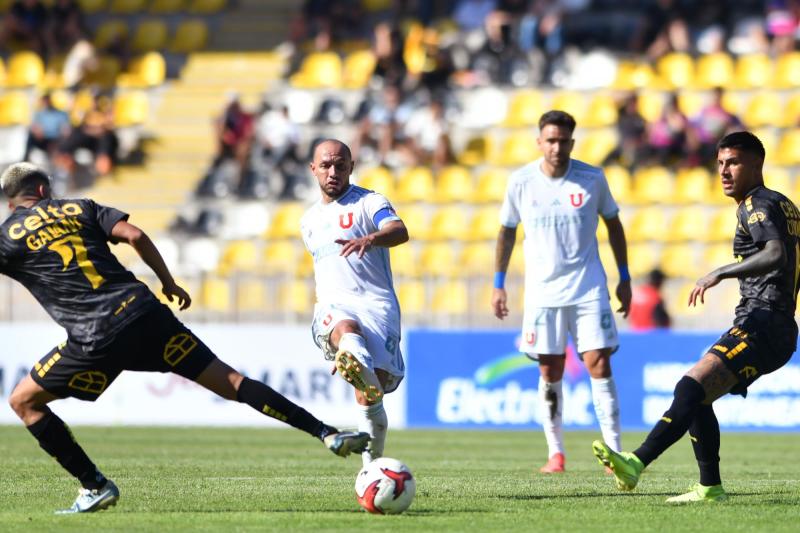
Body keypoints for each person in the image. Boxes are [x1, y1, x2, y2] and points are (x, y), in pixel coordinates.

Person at [1, 162, 369, 514]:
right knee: (233, 382)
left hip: (95, 335)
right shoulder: (79, 207)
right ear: (43, 189)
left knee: (24, 401)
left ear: (10, 201)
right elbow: (136, 236)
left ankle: (95, 485)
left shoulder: (7, 237)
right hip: (144, 312)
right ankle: (326, 433)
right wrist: (167, 282)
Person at [593, 131, 799, 502]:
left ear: (756, 164)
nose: (723, 171)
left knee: (689, 387)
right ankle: (709, 488)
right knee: (698, 397)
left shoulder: (757, 206)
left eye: (733, 162)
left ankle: (636, 462)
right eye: (720, 163)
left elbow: (776, 255)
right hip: (770, 323)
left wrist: (719, 272)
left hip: (764, 323)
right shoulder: (783, 205)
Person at [492, 110, 632, 474]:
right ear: (539, 143)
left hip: (588, 287)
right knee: (550, 371)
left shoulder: (592, 179)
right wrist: (498, 283)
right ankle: (556, 453)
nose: (557, 147)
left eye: (563, 140)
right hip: (542, 293)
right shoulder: (521, 182)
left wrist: (625, 276)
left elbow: (614, 224)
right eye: (550, 140)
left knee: (598, 363)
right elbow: (506, 231)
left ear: (573, 142)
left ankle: (615, 453)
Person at [300, 139, 408, 467]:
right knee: (347, 331)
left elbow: (399, 230)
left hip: (377, 307)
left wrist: (370, 238)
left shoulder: (370, 202)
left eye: (341, 165)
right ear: (313, 168)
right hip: (334, 306)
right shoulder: (308, 220)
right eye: (326, 165)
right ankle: (349, 348)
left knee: (372, 394)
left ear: (351, 167)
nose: (333, 172)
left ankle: (371, 470)